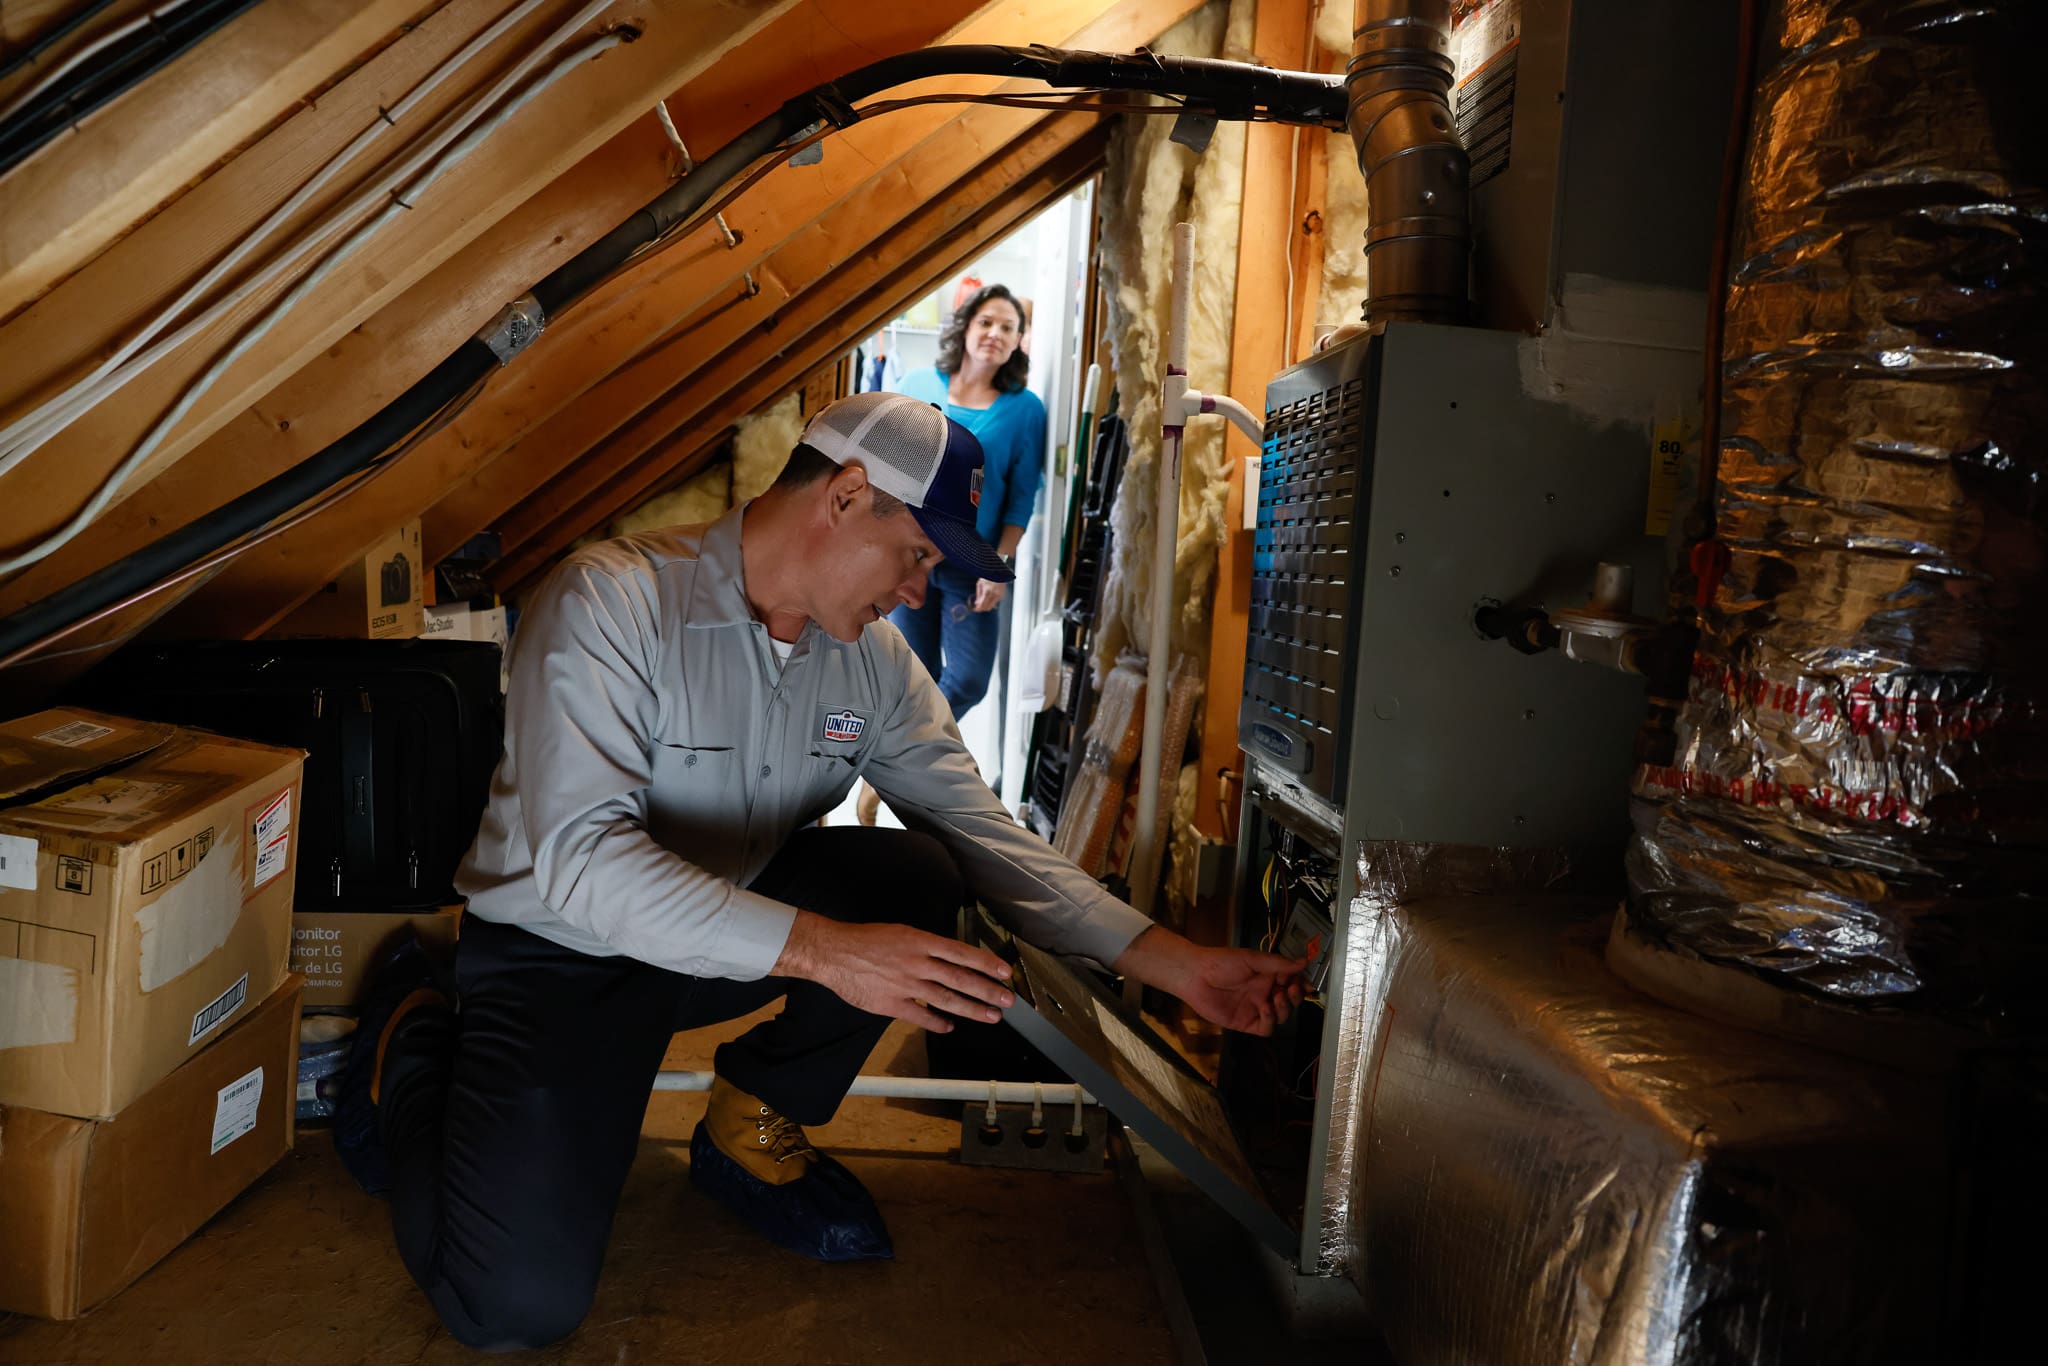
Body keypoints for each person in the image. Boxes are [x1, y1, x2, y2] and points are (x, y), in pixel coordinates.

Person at [333, 392, 1307, 1352]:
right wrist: (821, 952)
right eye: (917, 555)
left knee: (921, 874)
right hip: (558, 955)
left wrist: (1175, 963)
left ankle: (750, 1123)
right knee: (513, 1305)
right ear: (845, 497)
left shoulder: (871, 666)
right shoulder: (613, 600)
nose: (920, 591)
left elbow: (983, 835)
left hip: (717, 937)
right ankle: (412, 1046)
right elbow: (583, 864)